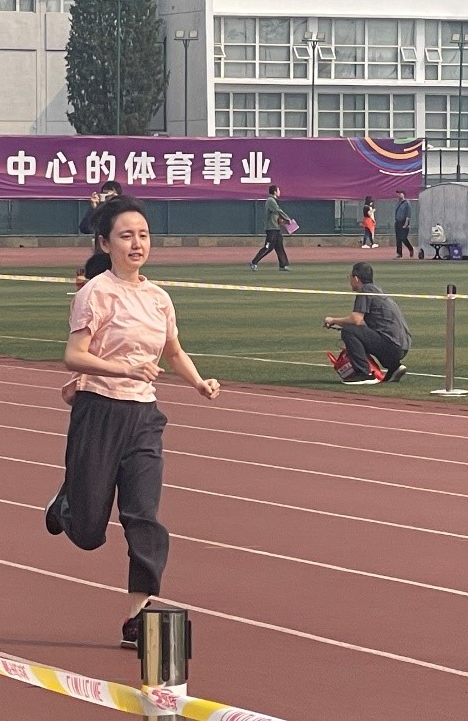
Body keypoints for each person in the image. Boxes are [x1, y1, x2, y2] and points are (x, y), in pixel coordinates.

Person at [45, 195, 220, 648]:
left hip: (144, 415)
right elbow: (73, 356)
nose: (137, 243)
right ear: (106, 243)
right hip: (99, 411)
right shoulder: (95, 292)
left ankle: (138, 615)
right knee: (88, 533)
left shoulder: (159, 298)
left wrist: (199, 382)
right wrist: (122, 368)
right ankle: (66, 506)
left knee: (144, 515)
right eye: (126, 236)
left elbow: (173, 351)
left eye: (143, 235)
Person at [324, 261, 411, 385]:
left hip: (392, 345)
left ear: (356, 278)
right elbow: (363, 324)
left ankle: (364, 373)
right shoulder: (376, 290)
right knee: (354, 331)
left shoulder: (365, 290)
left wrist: (333, 320)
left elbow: (356, 319)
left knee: (349, 331)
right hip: (402, 345)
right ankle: (394, 367)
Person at [249, 184, 292, 271]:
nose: (279, 192)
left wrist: (281, 221)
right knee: (268, 247)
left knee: (279, 246)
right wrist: (287, 218)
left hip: (276, 228)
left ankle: (283, 265)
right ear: (275, 192)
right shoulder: (270, 201)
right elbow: (278, 210)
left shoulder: (273, 201)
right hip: (271, 228)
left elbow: (275, 214)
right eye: (278, 190)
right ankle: (254, 262)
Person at [79, 181, 122, 253]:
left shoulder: (124, 211)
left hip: (119, 253)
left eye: (111, 196)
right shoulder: (100, 212)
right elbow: (85, 228)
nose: (108, 198)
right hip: (101, 254)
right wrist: (93, 208)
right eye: (105, 195)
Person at [393, 190, 413, 259]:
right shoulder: (397, 203)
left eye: (400, 194)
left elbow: (408, 214)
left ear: (403, 194)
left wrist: (406, 224)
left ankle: (410, 248)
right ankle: (399, 254)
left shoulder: (407, 203)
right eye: (398, 194)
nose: (398, 195)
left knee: (403, 238)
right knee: (398, 239)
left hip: (404, 222)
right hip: (397, 222)